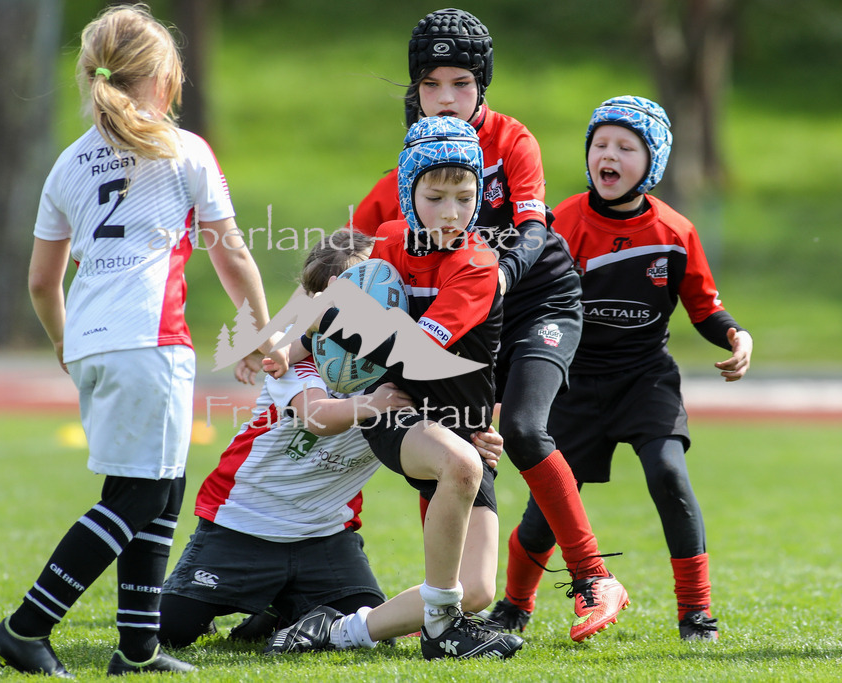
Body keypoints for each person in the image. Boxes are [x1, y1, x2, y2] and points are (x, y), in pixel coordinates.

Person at [0, 4, 288, 677]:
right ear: (165, 77)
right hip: (150, 340)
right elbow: (231, 253)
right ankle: (26, 626)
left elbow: (42, 280)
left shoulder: (67, 162)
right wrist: (260, 331)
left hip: (97, 339)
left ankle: (138, 647)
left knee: (162, 488)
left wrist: (67, 346)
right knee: (139, 497)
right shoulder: (183, 148)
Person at [349, 8, 628, 642]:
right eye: (430, 85)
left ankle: (592, 578)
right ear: (414, 89)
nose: (445, 100)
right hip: (464, 322)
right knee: (451, 445)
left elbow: (533, 230)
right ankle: (448, 609)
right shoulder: (409, 169)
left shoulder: (512, 140)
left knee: (525, 429)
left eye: (462, 84)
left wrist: (495, 278)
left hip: (536, 304)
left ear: (484, 86)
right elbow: (344, 258)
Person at [158, 229, 509, 648]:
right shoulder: (289, 359)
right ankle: (238, 598)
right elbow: (318, 418)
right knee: (173, 630)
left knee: (380, 631)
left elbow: (442, 424)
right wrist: (371, 405)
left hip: (326, 536)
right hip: (243, 523)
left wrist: (476, 437)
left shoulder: (398, 366)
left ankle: (277, 609)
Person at [267, 116, 524, 661]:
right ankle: (439, 636)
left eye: (465, 195)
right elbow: (331, 300)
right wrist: (291, 346)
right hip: (398, 414)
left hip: (464, 432)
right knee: (461, 466)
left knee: (473, 592)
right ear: (409, 194)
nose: (451, 212)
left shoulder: (476, 265)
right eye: (434, 197)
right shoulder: (383, 244)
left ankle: (335, 632)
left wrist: (325, 327)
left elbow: (417, 347)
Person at [498, 95, 753, 642]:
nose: (607, 155)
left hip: (645, 379)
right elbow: (523, 305)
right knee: (543, 516)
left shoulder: (676, 232)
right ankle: (514, 606)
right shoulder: (557, 223)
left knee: (668, 473)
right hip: (572, 380)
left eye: (626, 147)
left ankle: (696, 613)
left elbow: (704, 307)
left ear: (652, 163)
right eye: (600, 144)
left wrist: (735, 333)